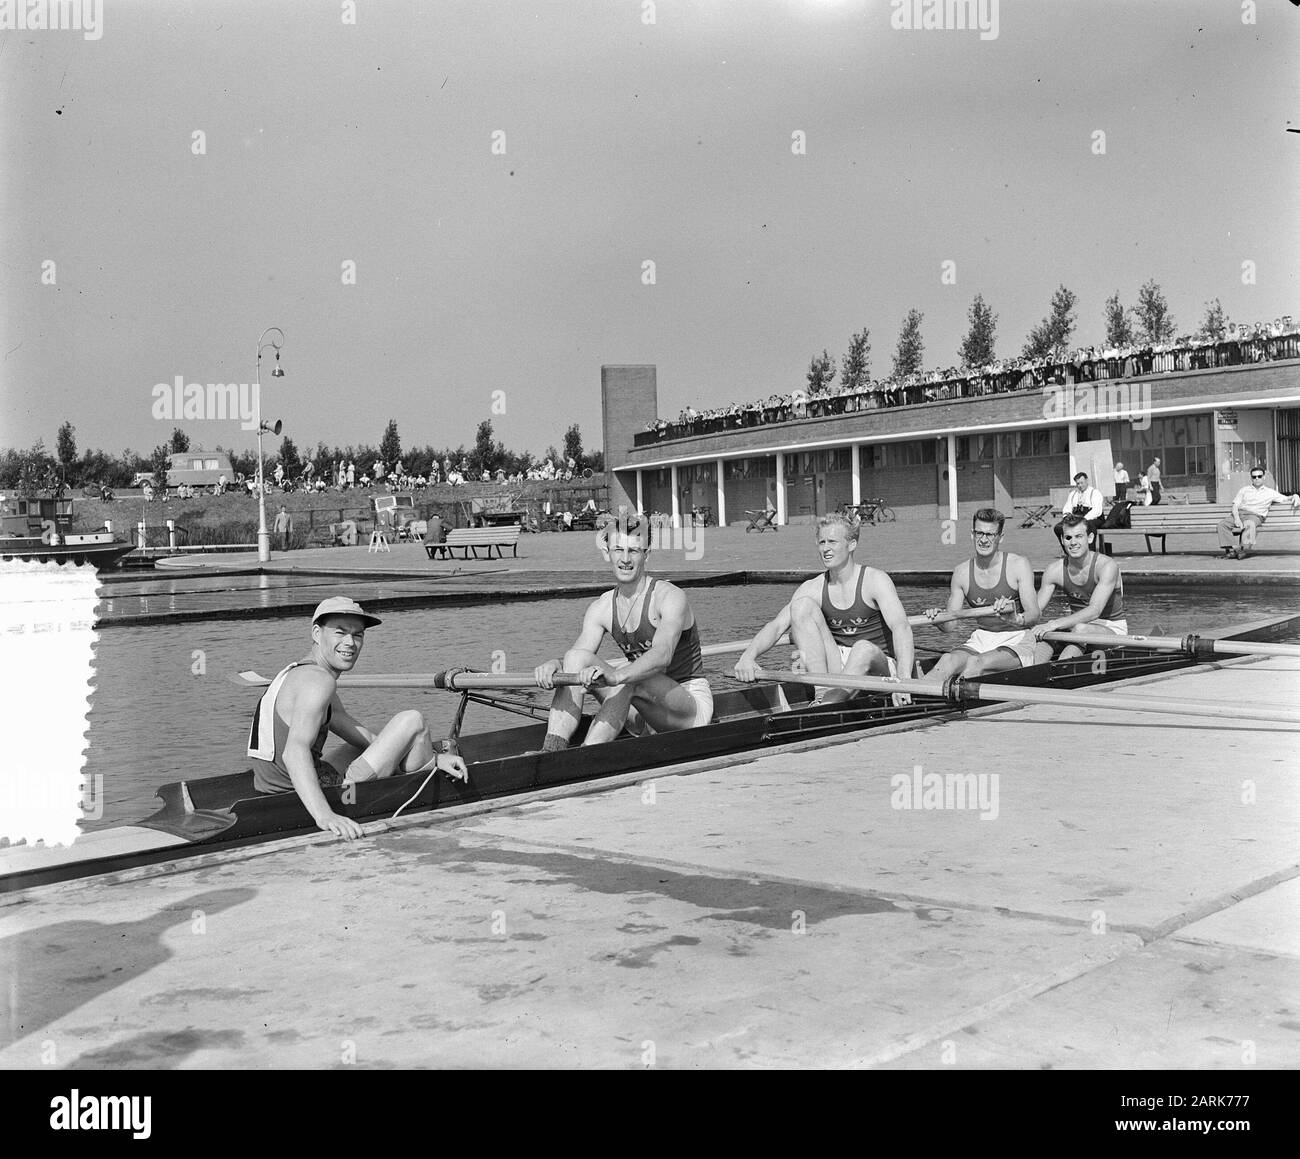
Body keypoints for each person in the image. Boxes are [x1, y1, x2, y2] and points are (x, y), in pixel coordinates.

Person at [247, 597, 467, 839]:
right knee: (413, 722)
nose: (350, 643)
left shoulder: (299, 671)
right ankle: (421, 787)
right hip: (294, 798)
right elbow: (294, 751)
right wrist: (325, 815)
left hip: (272, 789)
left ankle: (426, 764)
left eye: (358, 635)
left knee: (358, 747)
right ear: (317, 633)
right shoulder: (319, 681)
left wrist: (436, 758)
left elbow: (362, 736)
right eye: (340, 632)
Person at [533, 516, 712, 749]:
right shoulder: (601, 607)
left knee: (630, 680)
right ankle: (552, 749)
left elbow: (663, 654)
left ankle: (586, 757)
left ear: (646, 554)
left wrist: (618, 676)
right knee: (575, 658)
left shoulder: (669, 597)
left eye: (634, 551)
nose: (625, 559)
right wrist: (555, 665)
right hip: (640, 707)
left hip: (689, 708)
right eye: (618, 549)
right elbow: (577, 657)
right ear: (607, 553)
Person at [733, 512, 914, 703]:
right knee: (800, 606)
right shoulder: (814, 587)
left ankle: (831, 701)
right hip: (839, 663)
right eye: (822, 542)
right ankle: (822, 694)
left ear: (851, 544)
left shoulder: (875, 580)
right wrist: (748, 656)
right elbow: (776, 626)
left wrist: (903, 682)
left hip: (881, 667)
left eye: (832, 542)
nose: (825, 549)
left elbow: (901, 628)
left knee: (862, 649)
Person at [923, 508, 1040, 679]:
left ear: (1000, 537)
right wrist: (938, 619)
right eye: (980, 533)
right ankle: (912, 699)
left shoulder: (1018, 565)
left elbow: (1035, 614)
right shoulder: (961, 572)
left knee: (975, 663)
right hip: (981, 639)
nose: (984, 540)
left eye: (990, 534)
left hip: (1017, 638)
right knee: (947, 660)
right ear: (972, 534)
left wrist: (1016, 619)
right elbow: (950, 626)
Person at [1030, 514, 1127, 662]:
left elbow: (1095, 611)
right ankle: (1031, 670)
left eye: (1078, 536)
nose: (1073, 542)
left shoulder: (1106, 566)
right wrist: (1014, 618)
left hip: (1112, 631)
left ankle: (1061, 671)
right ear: (1062, 540)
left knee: (1078, 629)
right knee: (1043, 636)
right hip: (1075, 627)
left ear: (1090, 538)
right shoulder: (1053, 570)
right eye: (1068, 538)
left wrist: (1054, 624)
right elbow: (1034, 611)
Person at [1217, 467, 1300, 560]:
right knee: (1222, 525)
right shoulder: (1244, 490)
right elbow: (1235, 506)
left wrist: (1295, 496)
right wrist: (1236, 519)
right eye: (1254, 477)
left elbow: (1286, 498)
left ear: (1263, 477)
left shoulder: (1270, 492)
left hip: (1255, 515)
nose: (1256, 478)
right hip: (1239, 513)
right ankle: (1236, 550)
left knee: (1249, 524)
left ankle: (1243, 549)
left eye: (1259, 476)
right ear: (1251, 478)